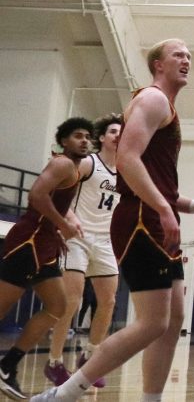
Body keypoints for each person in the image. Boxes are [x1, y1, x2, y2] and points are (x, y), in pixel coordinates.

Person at [31, 39, 194, 402]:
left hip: (151, 214)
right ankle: (61, 395)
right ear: (158, 64)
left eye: (189, 55)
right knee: (153, 322)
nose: (186, 60)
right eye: (178, 55)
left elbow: (154, 178)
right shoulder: (153, 99)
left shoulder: (164, 106)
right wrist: (162, 208)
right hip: (141, 219)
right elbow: (127, 160)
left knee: (172, 320)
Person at [0, 118, 92, 400]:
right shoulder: (62, 163)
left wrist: (56, 234)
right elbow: (36, 195)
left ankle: (6, 367)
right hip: (28, 241)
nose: (85, 140)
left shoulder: (74, 169)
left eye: (88, 136)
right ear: (64, 141)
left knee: (58, 306)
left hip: (45, 243)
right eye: (78, 136)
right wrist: (61, 225)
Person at [43, 114, 123, 389]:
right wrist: (64, 217)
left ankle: (88, 357)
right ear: (102, 137)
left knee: (109, 301)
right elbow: (57, 185)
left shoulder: (126, 170)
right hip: (77, 237)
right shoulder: (89, 163)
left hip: (105, 242)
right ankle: (53, 362)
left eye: (122, 132)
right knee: (71, 301)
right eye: (113, 131)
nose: (118, 135)